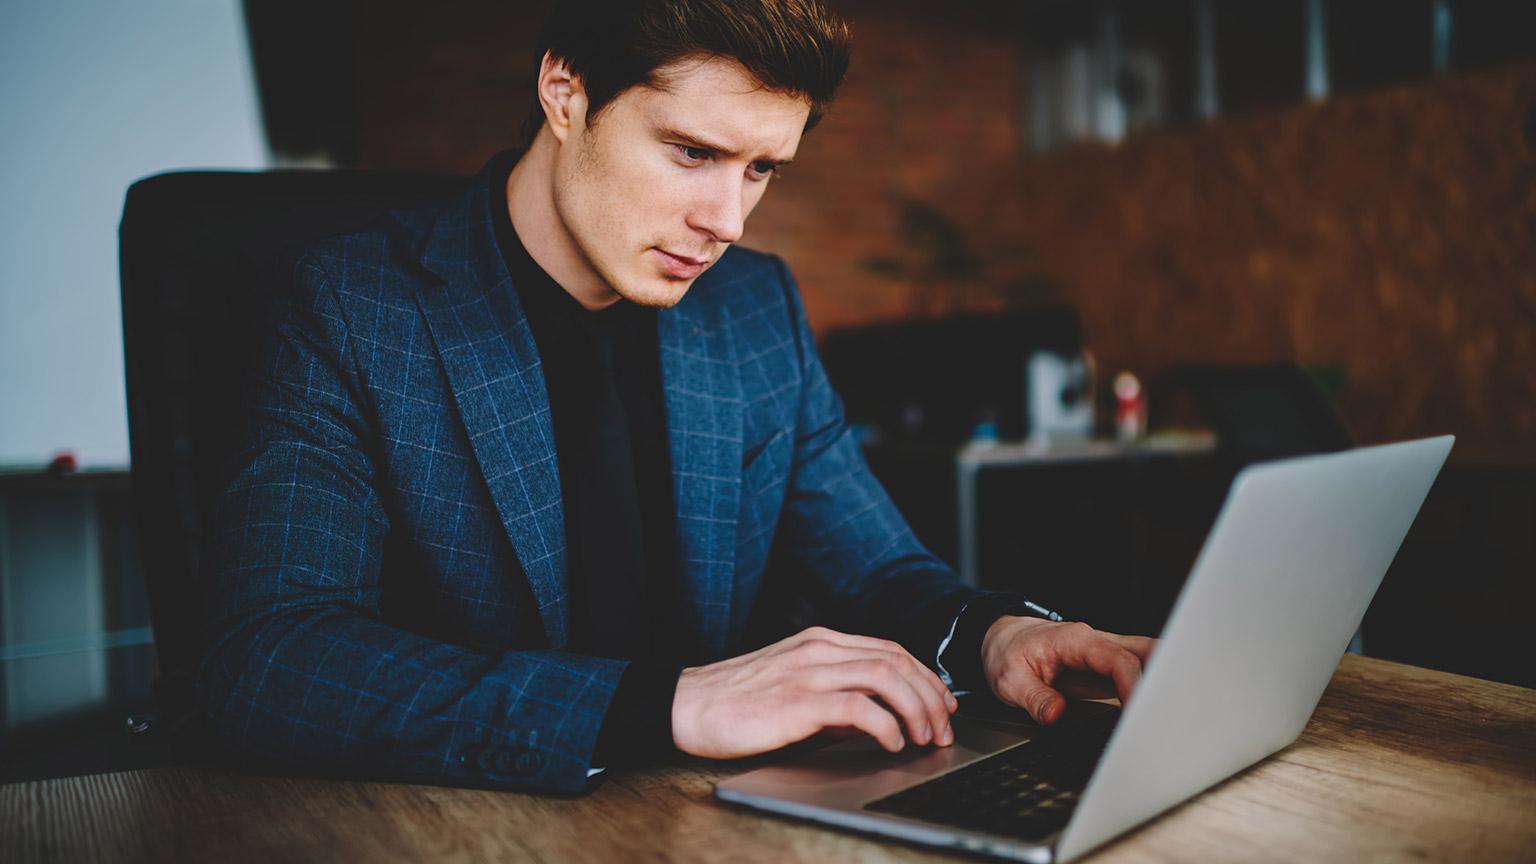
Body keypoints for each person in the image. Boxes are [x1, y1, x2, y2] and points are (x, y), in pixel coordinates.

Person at [199, 0, 1153, 794]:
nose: (727, 221)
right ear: (565, 91)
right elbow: (272, 658)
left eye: (761, 169)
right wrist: (665, 704)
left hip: (709, 826)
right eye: (692, 152)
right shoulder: (346, 307)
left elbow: (870, 571)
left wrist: (996, 634)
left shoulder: (754, 308)